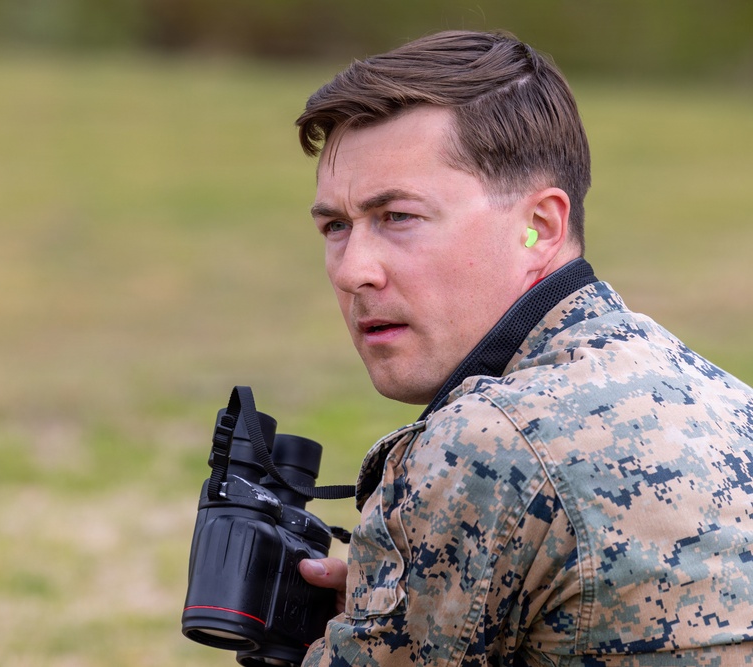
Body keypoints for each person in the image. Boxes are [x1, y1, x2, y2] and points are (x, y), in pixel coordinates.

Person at [292, 30, 753, 665]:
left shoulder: (487, 442)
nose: (353, 271)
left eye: (398, 217)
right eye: (336, 226)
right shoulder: (728, 403)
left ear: (539, 227)